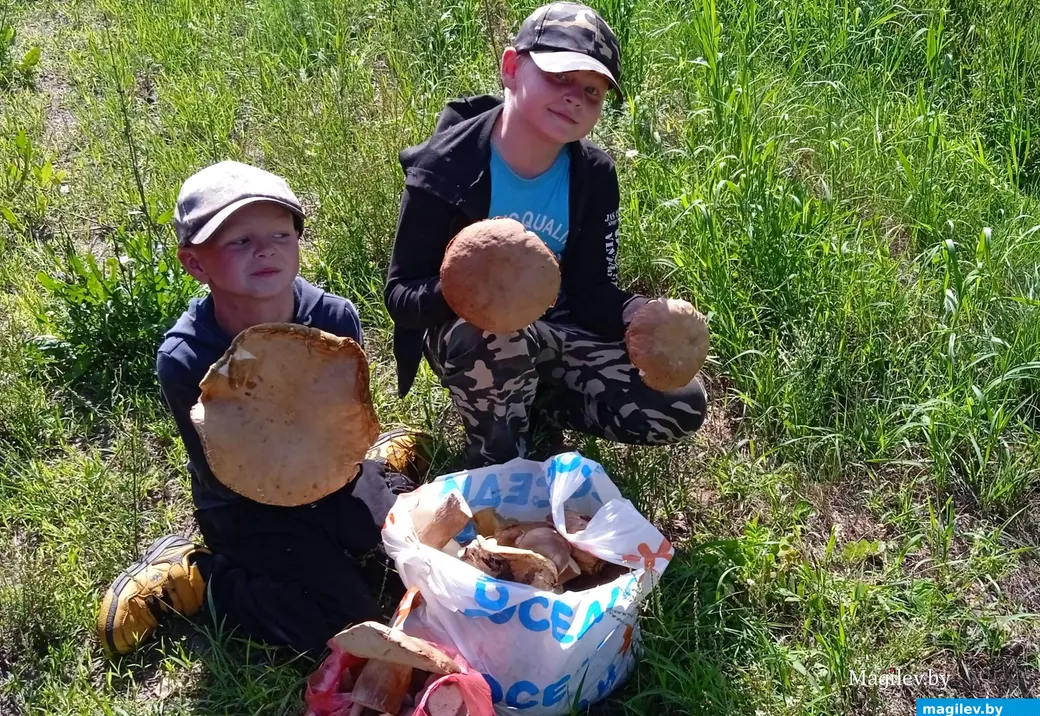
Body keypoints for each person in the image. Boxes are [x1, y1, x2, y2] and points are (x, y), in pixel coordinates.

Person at [97, 161, 429, 656]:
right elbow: (222, 474)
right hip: (249, 507)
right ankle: (200, 579)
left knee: (419, 564)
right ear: (196, 264)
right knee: (343, 626)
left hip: (335, 477)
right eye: (240, 241)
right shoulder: (186, 357)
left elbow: (346, 412)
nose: (266, 249)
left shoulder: (334, 318)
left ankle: (380, 466)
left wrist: (345, 463)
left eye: (280, 234)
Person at [384, 2, 707, 469]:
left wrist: (637, 312)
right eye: (559, 76)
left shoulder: (592, 174)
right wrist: (468, 288)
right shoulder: (446, 168)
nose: (574, 97)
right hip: (470, 336)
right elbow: (401, 295)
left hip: (555, 328)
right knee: (493, 335)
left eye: (592, 91)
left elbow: (591, 290)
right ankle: (499, 463)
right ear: (511, 68)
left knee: (680, 405)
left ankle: (535, 406)